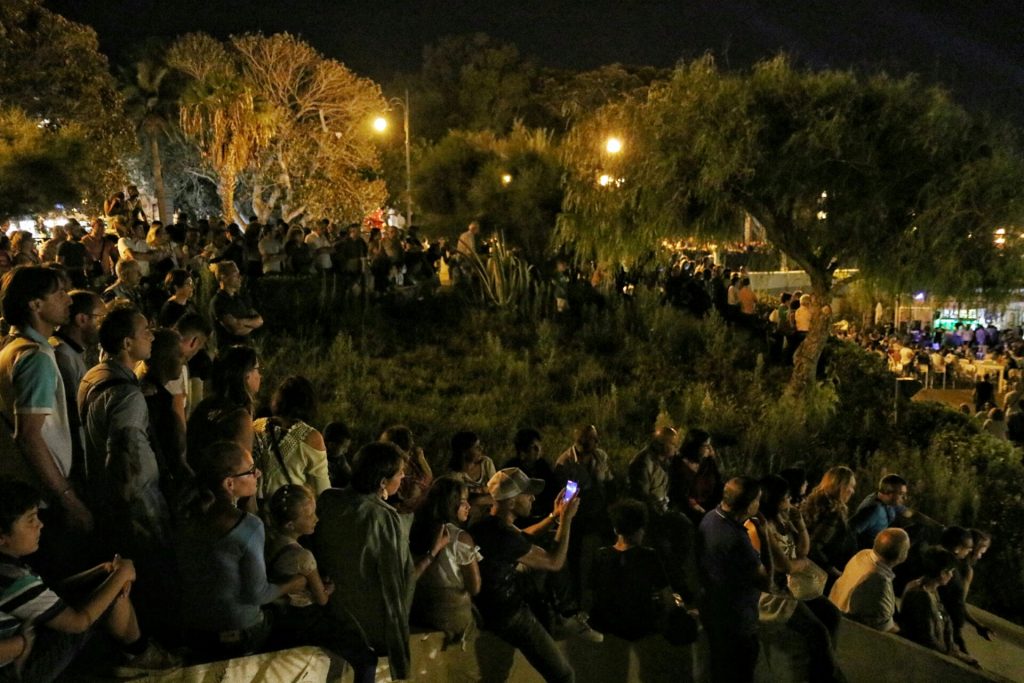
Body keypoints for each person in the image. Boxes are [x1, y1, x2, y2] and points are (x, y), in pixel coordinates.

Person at [0, 478, 180, 681]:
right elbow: (79, 622)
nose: (40, 524)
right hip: (19, 673)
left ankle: (137, 654)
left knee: (106, 584)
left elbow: (50, 592)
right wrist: (122, 574)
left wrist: (100, 572)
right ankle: (141, 655)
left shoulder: (8, 567)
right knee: (108, 593)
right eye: (31, 520)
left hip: (24, 646)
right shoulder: (12, 579)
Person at [176, 442, 306, 660]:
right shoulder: (248, 526)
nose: (258, 473)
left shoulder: (187, 517)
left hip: (196, 631)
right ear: (229, 483)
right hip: (239, 634)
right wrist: (294, 583)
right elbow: (257, 594)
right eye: (251, 470)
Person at [0, 268, 93, 561]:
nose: (68, 300)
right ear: (35, 304)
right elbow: (28, 436)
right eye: (59, 293)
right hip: (40, 498)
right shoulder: (35, 358)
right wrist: (68, 498)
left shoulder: (13, 348)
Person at [315, 442, 415, 683]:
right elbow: (394, 577)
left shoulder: (328, 499)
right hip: (364, 620)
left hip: (330, 608)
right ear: (382, 481)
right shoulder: (383, 516)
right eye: (400, 472)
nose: (403, 477)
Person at [470, 468, 581, 683]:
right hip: (509, 614)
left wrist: (553, 516)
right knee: (565, 676)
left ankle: (559, 617)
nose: (532, 497)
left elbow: (522, 538)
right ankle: (564, 615)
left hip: (488, 606)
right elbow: (554, 562)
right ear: (511, 502)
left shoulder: (486, 525)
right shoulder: (505, 537)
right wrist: (567, 520)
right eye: (526, 493)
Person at [745, 475, 844, 683]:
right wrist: (801, 564)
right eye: (788, 498)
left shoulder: (781, 520)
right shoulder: (758, 527)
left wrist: (799, 523)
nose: (792, 502)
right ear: (776, 500)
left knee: (832, 615)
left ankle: (826, 667)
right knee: (817, 632)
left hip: (788, 585)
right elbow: (786, 565)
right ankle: (827, 677)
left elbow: (802, 551)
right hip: (771, 594)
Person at [588, 499, 695, 643]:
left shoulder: (600, 555)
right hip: (639, 626)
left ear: (615, 529)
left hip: (606, 622)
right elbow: (667, 598)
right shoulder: (649, 556)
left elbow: (592, 593)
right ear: (640, 530)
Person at [697, 477, 770, 683]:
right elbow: (766, 582)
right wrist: (765, 536)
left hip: (714, 612)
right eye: (758, 499)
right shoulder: (737, 539)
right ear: (749, 505)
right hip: (737, 621)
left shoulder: (710, 518)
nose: (759, 504)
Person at [263, 485, 339, 650]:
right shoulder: (303, 557)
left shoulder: (267, 539)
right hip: (303, 619)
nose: (316, 519)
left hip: (278, 618)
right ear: (291, 525)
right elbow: (322, 598)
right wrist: (330, 588)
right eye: (310, 515)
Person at [408, 476, 482, 645]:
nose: (468, 506)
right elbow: (475, 587)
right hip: (450, 617)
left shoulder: (413, 527)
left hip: (418, 611)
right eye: (464, 501)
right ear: (451, 503)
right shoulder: (459, 538)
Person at [50, 290, 106, 479]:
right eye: (100, 317)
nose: (103, 324)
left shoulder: (73, 352)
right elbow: (74, 414)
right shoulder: (62, 356)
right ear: (82, 319)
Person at [252, 376, 330, 502]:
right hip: (287, 513)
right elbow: (322, 490)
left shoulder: (255, 426)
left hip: (254, 508)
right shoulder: (311, 437)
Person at [900, 547, 978, 666]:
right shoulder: (921, 595)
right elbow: (928, 637)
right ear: (942, 573)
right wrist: (953, 654)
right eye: (950, 571)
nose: (951, 575)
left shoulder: (932, 590)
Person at [187, 346, 261, 468]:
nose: (260, 376)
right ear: (246, 375)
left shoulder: (205, 406)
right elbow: (243, 468)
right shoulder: (240, 418)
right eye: (257, 369)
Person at [828, 527, 910, 632]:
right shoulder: (879, 581)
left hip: (834, 611)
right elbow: (886, 628)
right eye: (907, 549)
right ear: (901, 556)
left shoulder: (863, 554)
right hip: (847, 629)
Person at [801, 466, 858, 588]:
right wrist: (832, 570)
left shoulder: (814, 503)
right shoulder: (833, 513)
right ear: (840, 487)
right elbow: (814, 546)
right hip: (821, 577)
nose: (852, 491)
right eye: (850, 486)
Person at [209, 261, 263, 350]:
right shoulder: (218, 302)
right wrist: (252, 324)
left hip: (247, 352)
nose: (240, 277)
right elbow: (236, 329)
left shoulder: (239, 298)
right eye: (235, 274)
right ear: (223, 277)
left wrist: (241, 322)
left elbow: (260, 320)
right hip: (230, 355)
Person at [380, 424, 432, 513]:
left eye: (382, 445)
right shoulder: (412, 468)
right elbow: (428, 477)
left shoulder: (394, 472)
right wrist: (421, 458)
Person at [447, 431, 497, 516]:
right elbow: (461, 501)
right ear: (464, 452)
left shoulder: (486, 463)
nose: (481, 449)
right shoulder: (455, 475)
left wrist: (478, 499)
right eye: (476, 447)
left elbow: (497, 490)